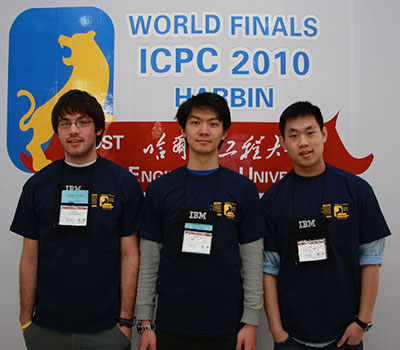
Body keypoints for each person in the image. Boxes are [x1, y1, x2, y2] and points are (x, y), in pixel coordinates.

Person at [10, 89, 143, 349]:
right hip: (46, 329)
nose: (74, 130)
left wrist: (125, 321)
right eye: (65, 123)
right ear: (57, 131)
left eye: (83, 122)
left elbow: (130, 254)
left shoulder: (123, 184)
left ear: (98, 130)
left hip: (106, 330)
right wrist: (26, 321)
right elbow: (29, 256)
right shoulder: (37, 185)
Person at [136, 92, 265, 350]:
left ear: (224, 132)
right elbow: (150, 259)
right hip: (171, 326)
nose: (204, 131)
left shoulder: (243, 190)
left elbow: (252, 259)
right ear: (183, 130)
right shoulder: (161, 189)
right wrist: (145, 322)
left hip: (228, 326)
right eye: (195, 122)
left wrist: (251, 323)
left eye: (213, 123)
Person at [262, 101, 391, 349]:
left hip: (345, 335)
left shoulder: (357, 191)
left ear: (324, 134)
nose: (303, 142)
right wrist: (277, 332)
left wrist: (362, 322)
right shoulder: (272, 200)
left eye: (310, 132)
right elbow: (269, 269)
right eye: (294, 135)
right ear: (283, 143)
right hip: (291, 337)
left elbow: (371, 260)